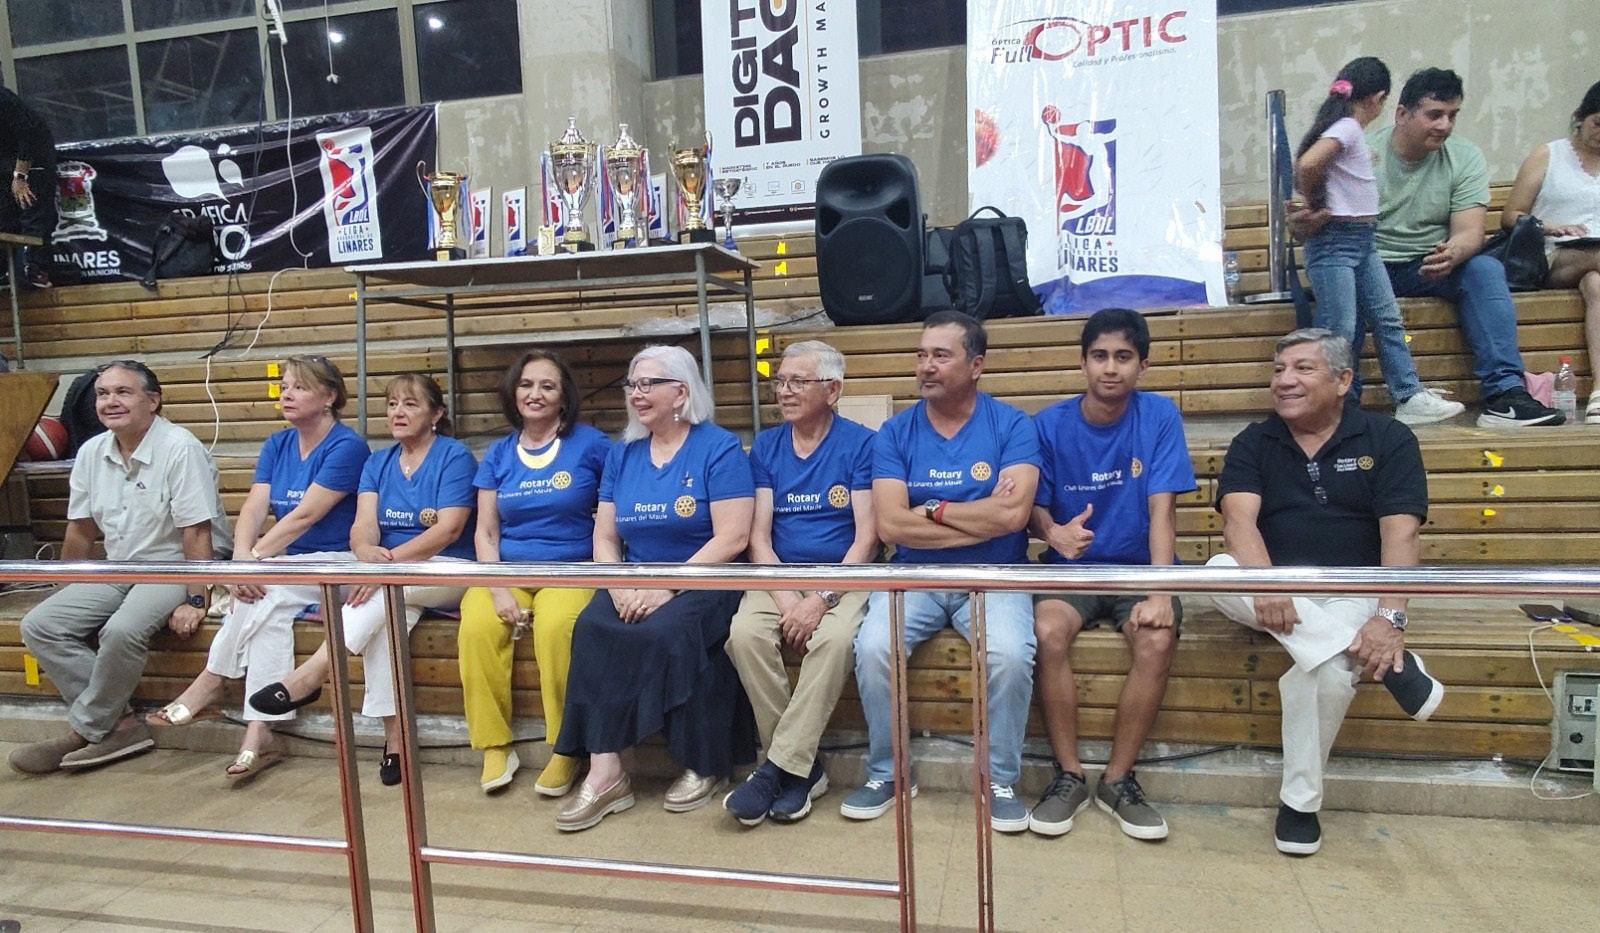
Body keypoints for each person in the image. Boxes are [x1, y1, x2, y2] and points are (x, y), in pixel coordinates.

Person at [1208, 328, 1447, 856]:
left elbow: (1401, 533)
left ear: (1342, 380)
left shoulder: (1387, 439)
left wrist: (1389, 618)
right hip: (1271, 588)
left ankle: (1299, 805)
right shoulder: (1255, 441)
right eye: (1278, 370)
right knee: (1217, 570)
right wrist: (1269, 581)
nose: (1284, 380)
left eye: (1302, 368)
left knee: (1327, 673)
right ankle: (1394, 670)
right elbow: (1238, 524)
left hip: (1352, 589)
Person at [844, 310, 1041, 833]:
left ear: (976, 365)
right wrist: (981, 516)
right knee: (873, 647)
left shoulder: (1012, 425)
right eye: (921, 355)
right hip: (915, 575)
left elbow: (1014, 516)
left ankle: (999, 779)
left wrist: (932, 509)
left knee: (1010, 655)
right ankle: (889, 773)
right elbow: (891, 525)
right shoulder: (895, 432)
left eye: (940, 355)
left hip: (996, 574)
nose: (926, 366)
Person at [553, 345, 756, 832]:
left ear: (680, 392)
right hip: (635, 576)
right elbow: (604, 537)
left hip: (708, 577)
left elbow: (733, 537)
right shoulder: (622, 454)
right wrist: (619, 585)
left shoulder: (719, 448)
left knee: (667, 631)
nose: (636, 394)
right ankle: (606, 772)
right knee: (592, 627)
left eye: (648, 384)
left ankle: (702, 762)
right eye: (632, 385)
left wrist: (668, 586)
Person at [147, 354, 368, 777]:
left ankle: (211, 680)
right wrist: (241, 559)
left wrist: (256, 562)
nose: (287, 394)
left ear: (329, 397)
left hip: (341, 560)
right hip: (288, 565)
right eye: (284, 387)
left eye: (299, 387)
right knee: (267, 609)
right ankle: (259, 733)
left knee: (266, 589)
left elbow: (306, 515)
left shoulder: (347, 446)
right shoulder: (277, 443)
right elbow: (254, 506)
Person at [248, 375, 475, 786]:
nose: (398, 413)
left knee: (380, 594)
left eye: (410, 404)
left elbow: (448, 530)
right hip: (390, 576)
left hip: (445, 569)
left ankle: (311, 674)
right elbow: (363, 525)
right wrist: (366, 552)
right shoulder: (378, 461)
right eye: (392, 405)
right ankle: (397, 741)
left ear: (437, 413)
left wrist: (384, 567)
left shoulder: (454, 456)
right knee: (386, 621)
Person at [10, 361, 231, 774]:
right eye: (103, 393)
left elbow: (197, 532)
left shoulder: (180, 447)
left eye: (123, 392)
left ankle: (85, 729)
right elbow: (80, 530)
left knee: (121, 630)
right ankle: (120, 723)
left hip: (175, 566)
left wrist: (196, 600)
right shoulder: (92, 451)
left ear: (153, 400)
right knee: (42, 624)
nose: (110, 401)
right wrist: (66, 589)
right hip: (119, 564)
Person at [1027, 309, 1196, 841]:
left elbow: (1163, 510)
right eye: (1099, 356)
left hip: (1138, 569)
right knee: (1046, 632)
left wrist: (1160, 591)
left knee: (1156, 638)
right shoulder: (1048, 424)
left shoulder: (1159, 415)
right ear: (1082, 362)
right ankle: (1069, 775)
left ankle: (1118, 780)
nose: (1110, 368)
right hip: (1070, 571)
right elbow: (1033, 509)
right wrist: (1053, 532)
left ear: (1143, 365)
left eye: (1124, 357)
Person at [722, 340, 878, 826]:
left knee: (834, 640)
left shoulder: (861, 444)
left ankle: (774, 769)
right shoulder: (767, 445)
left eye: (797, 381)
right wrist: (788, 596)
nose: (784, 391)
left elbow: (867, 538)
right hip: (779, 572)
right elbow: (758, 537)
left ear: (832, 390)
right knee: (744, 635)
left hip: (845, 574)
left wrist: (821, 599)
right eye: (780, 381)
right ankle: (802, 769)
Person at [1361, 67, 1560, 427]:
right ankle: (1343, 404)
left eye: (1452, 115)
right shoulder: (1364, 152)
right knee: (1343, 275)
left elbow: (1469, 233)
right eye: (1434, 114)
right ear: (1402, 114)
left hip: (1431, 265)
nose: (1445, 125)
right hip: (1370, 264)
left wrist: (1452, 253)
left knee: (1485, 269)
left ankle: (1506, 396)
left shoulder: (1465, 156)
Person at [457, 350, 609, 795]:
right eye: (526, 384)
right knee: (478, 625)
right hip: (509, 570)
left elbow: (615, 509)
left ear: (564, 397)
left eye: (547, 386)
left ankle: (566, 748)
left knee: (557, 628)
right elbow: (486, 532)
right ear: (513, 392)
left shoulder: (593, 445)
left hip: (572, 570)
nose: (535, 394)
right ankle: (494, 746)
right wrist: (497, 588)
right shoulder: (498, 454)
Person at [1294, 57, 1465, 426]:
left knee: (1387, 319)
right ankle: (1326, 405)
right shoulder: (1348, 127)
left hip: (1363, 240)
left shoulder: (1347, 130)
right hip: (1337, 240)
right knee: (1340, 327)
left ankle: (1408, 394)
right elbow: (1308, 165)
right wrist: (1317, 203)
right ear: (1378, 99)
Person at [1503, 79, 1600, 422]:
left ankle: (1598, 392)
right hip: (1553, 256)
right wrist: (1550, 226)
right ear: (1580, 118)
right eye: (1597, 123)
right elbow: (1511, 215)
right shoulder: (1549, 155)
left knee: (1597, 285)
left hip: (1593, 267)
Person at [0, 86, 56, 288]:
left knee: (30, 206)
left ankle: (35, 268)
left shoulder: (4, 100)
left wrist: (20, 176)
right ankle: (5, 270)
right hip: (7, 158)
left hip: (35, 157)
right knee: (4, 217)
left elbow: (29, 136)